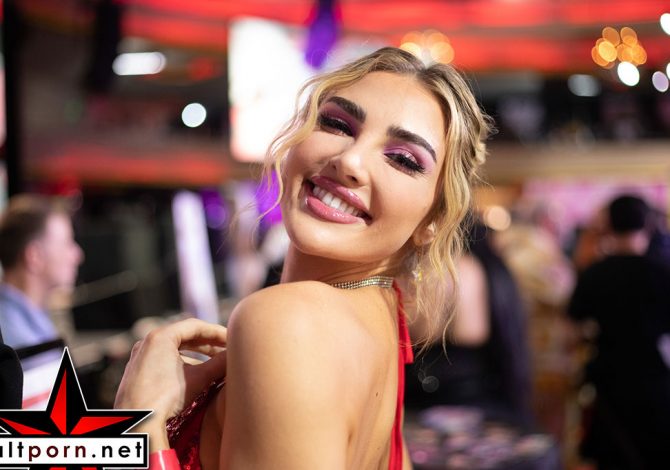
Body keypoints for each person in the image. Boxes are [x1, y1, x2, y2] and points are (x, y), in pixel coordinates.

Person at [115, 47, 492, 470]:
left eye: (403, 160)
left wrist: (140, 422)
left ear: (432, 222)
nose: (349, 160)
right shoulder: (383, 320)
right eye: (336, 124)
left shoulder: (288, 321)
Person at [568, 194, 670, 470]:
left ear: (610, 225)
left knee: (612, 457)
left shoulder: (594, 273)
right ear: (647, 225)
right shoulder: (663, 271)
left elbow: (574, 328)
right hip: (655, 379)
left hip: (609, 379)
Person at [405, 221, 533, 427]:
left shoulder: (445, 270)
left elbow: (421, 333)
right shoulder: (485, 269)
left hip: (443, 396)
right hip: (477, 395)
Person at [0, 194, 84, 350]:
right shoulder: (16, 338)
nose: (78, 255)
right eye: (67, 243)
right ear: (35, 256)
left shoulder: (31, 318)